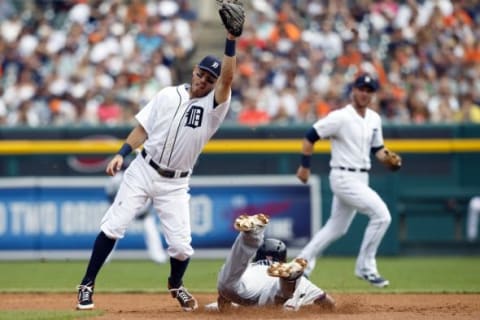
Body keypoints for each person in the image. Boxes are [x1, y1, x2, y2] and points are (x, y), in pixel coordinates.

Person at [75, 21, 241, 311]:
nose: (204, 80)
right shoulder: (167, 94)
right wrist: (121, 152)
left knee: (181, 247)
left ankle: (176, 284)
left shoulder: (215, 107)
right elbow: (143, 128)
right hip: (142, 169)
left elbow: (227, 79)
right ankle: (87, 284)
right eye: (202, 74)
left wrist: (230, 40)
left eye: (210, 79)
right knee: (114, 225)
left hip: (175, 183)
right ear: (194, 71)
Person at [296, 73, 401, 288]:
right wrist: (304, 166)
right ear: (353, 90)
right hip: (343, 176)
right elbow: (310, 136)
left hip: (362, 177)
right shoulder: (340, 117)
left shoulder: (374, 119)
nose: (364, 93)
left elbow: (378, 149)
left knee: (336, 228)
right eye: (361, 88)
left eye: (369, 90)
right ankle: (365, 267)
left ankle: (301, 265)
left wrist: (390, 160)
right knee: (382, 216)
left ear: (373, 94)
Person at [206, 213, 335, 312]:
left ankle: (251, 236)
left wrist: (225, 302)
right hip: (273, 294)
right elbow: (327, 302)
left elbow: (223, 303)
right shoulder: (303, 282)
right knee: (280, 296)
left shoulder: (250, 267)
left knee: (227, 282)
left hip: (244, 287)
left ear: (259, 255)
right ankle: (289, 281)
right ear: (282, 260)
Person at [104, 168, 167, 264]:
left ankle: (158, 256)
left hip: (143, 211)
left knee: (151, 230)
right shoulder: (117, 178)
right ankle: (104, 257)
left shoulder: (146, 176)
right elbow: (109, 193)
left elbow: (154, 194)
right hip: (123, 209)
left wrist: (147, 210)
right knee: (112, 231)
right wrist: (116, 207)